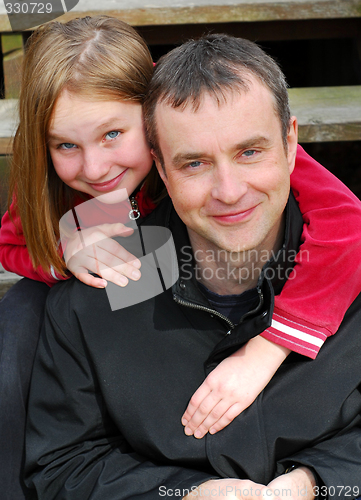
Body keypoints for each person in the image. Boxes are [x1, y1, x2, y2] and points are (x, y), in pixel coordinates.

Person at [25, 33, 361, 499]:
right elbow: (62, 467)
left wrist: (318, 484)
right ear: (160, 168)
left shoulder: (348, 258)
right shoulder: (95, 295)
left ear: (290, 143)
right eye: (195, 163)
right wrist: (181, 494)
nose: (228, 190)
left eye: (249, 152)